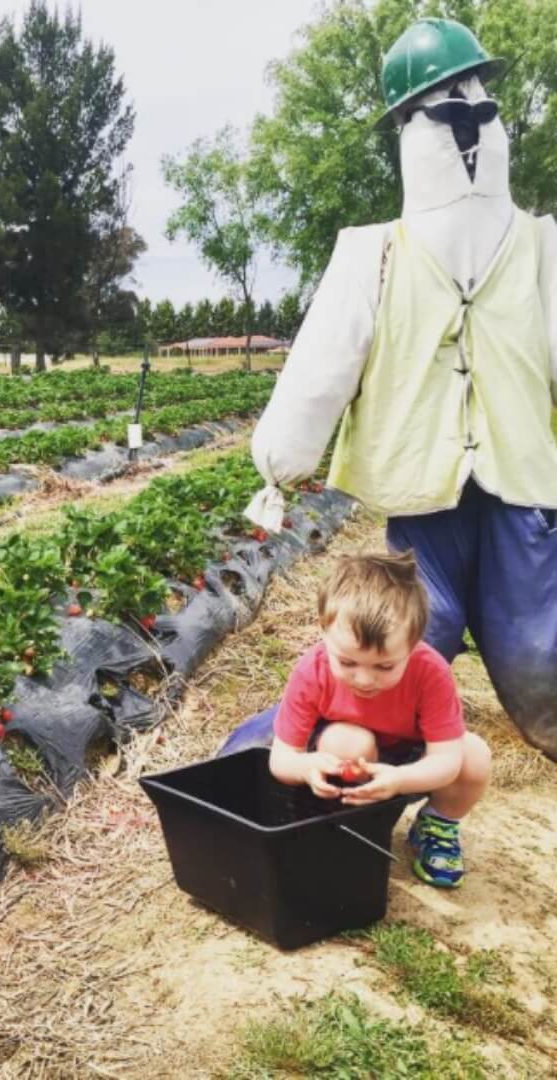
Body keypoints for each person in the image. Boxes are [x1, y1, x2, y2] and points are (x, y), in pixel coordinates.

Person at [246, 18, 557, 761]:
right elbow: (321, 368)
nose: (470, 131)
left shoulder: (543, 246)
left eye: (480, 111)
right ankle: (302, 759)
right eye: (449, 115)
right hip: (425, 497)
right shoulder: (374, 253)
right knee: (414, 639)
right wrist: (280, 466)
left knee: (537, 647)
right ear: (412, 134)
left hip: (523, 488)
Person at [234, 551, 491, 889]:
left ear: (414, 645)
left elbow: (446, 759)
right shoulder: (312, 671)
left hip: (409, 763)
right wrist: (306, 767)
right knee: (346, 741)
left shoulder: (431, 673)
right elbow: (282, 757)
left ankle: (438, 824)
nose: (364, 679)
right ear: (323, 632)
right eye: (348, 663)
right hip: (348, 761)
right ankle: (351, 822)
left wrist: (400, 779)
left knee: (473, 756)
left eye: (384, 666)